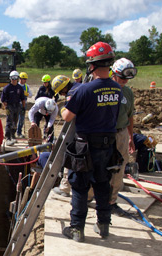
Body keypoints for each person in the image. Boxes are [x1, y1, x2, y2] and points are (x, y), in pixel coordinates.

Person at [60, 41, 122, 242]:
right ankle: (103, 225)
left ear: (92, 65)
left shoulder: (84, 90)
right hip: (107, 145)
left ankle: (77, 229)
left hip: (85, 145)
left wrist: (63, 107)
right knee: (103, 184)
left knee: (80, 185)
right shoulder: (117, 89)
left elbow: (67, 117)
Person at [109, 58, 138, 215]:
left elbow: (130, 116)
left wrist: (130, 137)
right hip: (104, 134)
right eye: (122, 78)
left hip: (120, 133)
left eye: (127, 78)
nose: (124, 81)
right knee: (98, 166)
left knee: (119, 168)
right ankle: (89, 197)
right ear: (114, 74)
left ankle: (111, 200)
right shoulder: (105, 89)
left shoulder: (127, 92)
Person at [51, 75, 82, 198]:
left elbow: (67, 116)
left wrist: (63, 108)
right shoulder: (81, 87)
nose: (62, 95)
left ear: (63, 88)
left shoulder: (72, 93)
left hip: (78, 132)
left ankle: (65, 188)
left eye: (61, 92)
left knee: (70, 156)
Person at [1, 71, 26, 146]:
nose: (14, 80)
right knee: (9, 122)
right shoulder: (7, 88)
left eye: (15, 78)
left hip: (17, 106)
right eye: (12, 78)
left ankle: (13, 135)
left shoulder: (19, 88)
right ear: (10, 79)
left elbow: (23, 98)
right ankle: (8, 138)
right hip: (10, 106)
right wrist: (6, 107)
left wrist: (23, 108)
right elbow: (3, 99)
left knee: (15, 122)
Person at [16, 72, 33, 138]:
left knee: (21, 119)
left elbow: (31, 95)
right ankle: (13, 132)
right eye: (24, 79)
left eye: (25, 79)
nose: (25, 80)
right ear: (20, 79)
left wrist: (27, 94)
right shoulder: (16, 85)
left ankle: (19, 132)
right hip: (17, 104)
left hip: (23, 104)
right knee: (15, 119)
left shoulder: (26, 86)